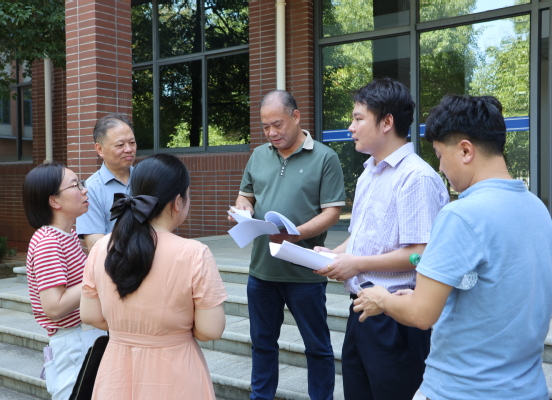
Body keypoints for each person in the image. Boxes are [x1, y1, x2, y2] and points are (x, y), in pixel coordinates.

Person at [355, 94, 552, 400]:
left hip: (461, 388)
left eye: (439, 154)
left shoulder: (461, 215)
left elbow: (421, 315)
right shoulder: (538, 208)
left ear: (465, 150)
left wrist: (382, 298)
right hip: (527, 389)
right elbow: (496, 291)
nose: (440, 167)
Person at [314, 78, 449, 400]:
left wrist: (357, 263)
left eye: (358, 118)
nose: (350, 127)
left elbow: (421, 253)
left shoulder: (416, 177)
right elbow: (359, 237)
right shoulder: (369, 172)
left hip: (397, 315)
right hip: (362, 308)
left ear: (387, 122)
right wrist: (334, 256)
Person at [79, 154, 227, 399]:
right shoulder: (194, 253)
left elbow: (90, 315)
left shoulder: (101, 247)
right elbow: (210, 330)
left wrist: (128, 329)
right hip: (175, 374)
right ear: (177, 202)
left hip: (116, 373)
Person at [230, 90, 345, 400]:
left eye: (277, 125)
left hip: (305, 272)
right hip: (262, 271)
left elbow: (332, 212)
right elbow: (245, 195)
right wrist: (243, 209)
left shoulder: (325, 157)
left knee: (317, 347)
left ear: (296, 117)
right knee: (262, 344)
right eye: (265, 126)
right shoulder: (258, 155)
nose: (271, 133)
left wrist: (296, 234)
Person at [22, 161, 105, 400]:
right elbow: (54, 307)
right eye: (76, 185)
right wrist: (98, 273)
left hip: (83, 337)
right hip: (74, 342)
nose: (85, 190)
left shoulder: (66, 235)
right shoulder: (48, 242)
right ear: (54, 201)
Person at [76, 113, 137, 251]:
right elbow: (96, 246)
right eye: (120, 145)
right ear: (99, 149)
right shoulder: (89, 190)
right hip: (114, 262)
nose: (129, 149)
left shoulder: (147, 178)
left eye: (132, 142)